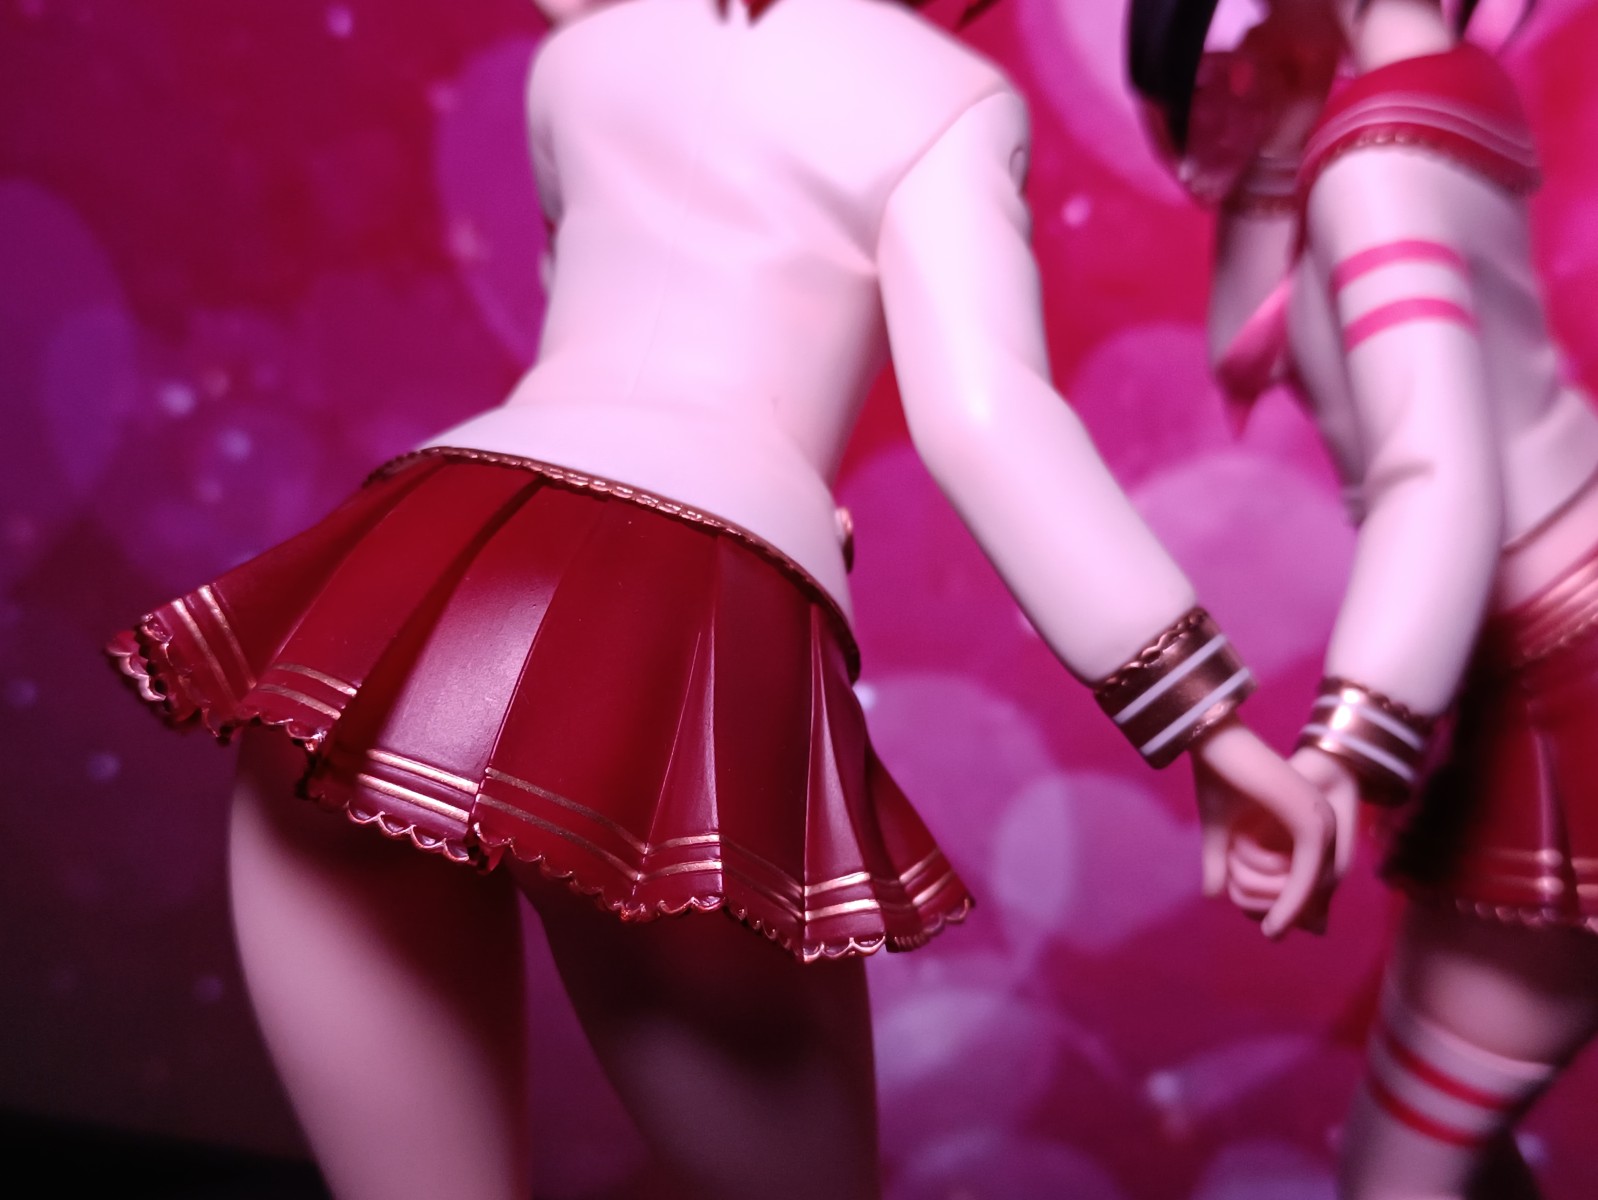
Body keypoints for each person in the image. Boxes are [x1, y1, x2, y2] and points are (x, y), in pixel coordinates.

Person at [109, 0, 1331, 1195]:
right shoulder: (949, 98)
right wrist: (1207, 726)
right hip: (668, 636)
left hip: (401, 602)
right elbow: (985, 421)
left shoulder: (581, 56)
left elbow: (615, 350)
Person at [1131, 1, 1598, 1195]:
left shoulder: (1374, 163)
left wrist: (1344, 753)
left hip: (1563, 674)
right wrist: (1282, 146)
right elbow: (1258, 346)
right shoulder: (1439, 95)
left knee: (1400, 1171)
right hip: (1546, 634)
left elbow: (1434, 478)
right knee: (1438, 1150)